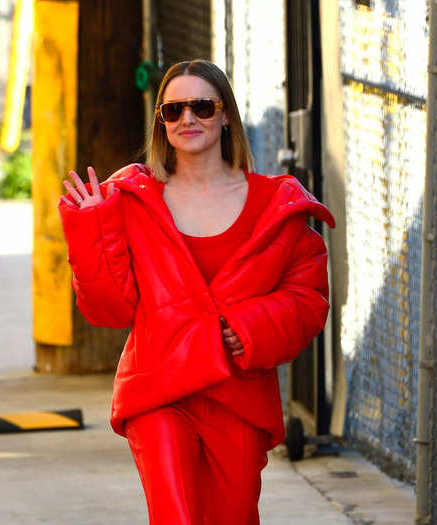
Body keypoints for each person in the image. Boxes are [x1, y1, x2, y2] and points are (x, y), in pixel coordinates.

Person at [58, 59, 335, 525]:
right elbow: (109, 309)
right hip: (158, 390)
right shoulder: (130, 200)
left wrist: (247, 328)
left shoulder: (276, 204)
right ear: (162, 124)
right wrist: (91, 231)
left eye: (202, 107)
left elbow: (308, 300)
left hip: (238, 394)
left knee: (234, 516)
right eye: (173, 111)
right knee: (175, 516)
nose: (187, 119)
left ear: (225, 115)